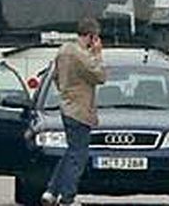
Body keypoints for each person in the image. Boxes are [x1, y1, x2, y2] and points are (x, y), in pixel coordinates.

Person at [41, 17, 106, 206]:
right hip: (80, 110)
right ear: (92, 36)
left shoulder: (63, 51)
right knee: (79, 156)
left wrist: (65, 92)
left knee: (71, 151)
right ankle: (67, 197)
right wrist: (98, 53)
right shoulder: (80, 54)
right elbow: (100, 75)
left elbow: (54, 76)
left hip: (66, 106)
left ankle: (51, 191)